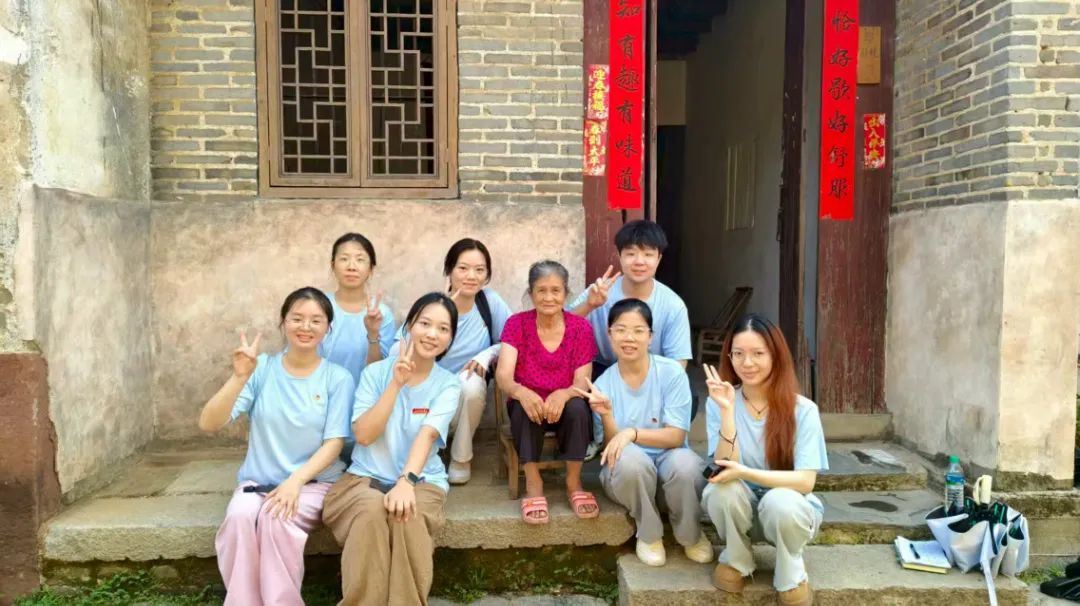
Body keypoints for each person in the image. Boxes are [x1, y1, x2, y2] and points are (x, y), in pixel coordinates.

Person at [199, 287, 354, 606]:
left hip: (312, 483)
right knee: (240, 518)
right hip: (258, 482)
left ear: (328, 328)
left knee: (276, 519)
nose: (305, 327)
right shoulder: (262, 369)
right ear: (283, 323)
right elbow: (209, 423)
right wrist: (238, 378)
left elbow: (334, 443)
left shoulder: (337, 378)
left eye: (316, 320)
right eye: (297, 318)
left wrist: (294, 481)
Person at [322, 292, 462, 606]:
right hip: (364, 478)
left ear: (450, 339)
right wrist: (396, 385)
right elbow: (364, 435)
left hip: (421, 480)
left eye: (443, 328)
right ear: (408, 327)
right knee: (371, 513)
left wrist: (406, 482)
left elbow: (427, 436)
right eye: (425, 323)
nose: (432, 334)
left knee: (406, 515)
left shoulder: (448, 384)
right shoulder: (375, 374)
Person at [701, 314, 828, 606]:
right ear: (729, 357)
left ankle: (790, 569)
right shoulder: (719, 401)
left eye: (758, 353)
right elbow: (725, 464)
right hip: (743, 506)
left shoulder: (803, 410)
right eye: (738, 354)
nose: (747, 363)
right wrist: (727, 411)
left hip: (789, 512)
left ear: (775, 355)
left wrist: (746, 473)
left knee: (780, 500)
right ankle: (737, 558)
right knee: (721, 490)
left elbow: (805, 482)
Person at [574, 298, 711, 567]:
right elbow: (611, 447)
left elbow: (675, 437)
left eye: (638, 330)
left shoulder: (671, 373)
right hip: (630, 477)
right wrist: (606, 414)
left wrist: (633, 433)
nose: (629, 338)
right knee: (629, 461)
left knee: (687, 465)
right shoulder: (603, 384)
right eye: (621, 330)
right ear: (609, 334)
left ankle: (690, 534)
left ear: (650, 336)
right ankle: (648, 534)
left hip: (669, 465)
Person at [392, 238, 512, 485]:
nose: (471, 276)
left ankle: (461, 458)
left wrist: (487, 354)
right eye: (463, 268)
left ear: (487, 275)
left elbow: (515, 339)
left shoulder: (489, 302)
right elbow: (398, 349)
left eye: (479, 270)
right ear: (449, 270)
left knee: (472, 383)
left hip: (460, 396)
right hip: (424, 393)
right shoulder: (433, 304)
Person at [495, 260, 599, 524]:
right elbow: (504, 375)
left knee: (578, 408)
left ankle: (573, 482)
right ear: (531, 294)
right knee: (523, 407)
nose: (548, 297)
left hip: (566, 401)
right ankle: (533, 482)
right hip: (529, 402)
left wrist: (563, 394)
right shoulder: (516, 324)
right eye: (541, 290)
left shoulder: (580, 328)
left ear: (566, 293)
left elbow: (582, 380)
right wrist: (521, 392)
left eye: (555, 290)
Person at [569, 220, 692, 376]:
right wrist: (589, 305)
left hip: (652, 374)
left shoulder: (673, 305)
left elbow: (678, 363)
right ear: (619, 256)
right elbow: (559, 327)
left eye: (648, 254)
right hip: (602, 371)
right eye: (631, 254)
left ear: (659, 259)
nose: (639, 262)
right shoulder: (599, 291)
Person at [320, 232, 396, 385]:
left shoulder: (382, 314)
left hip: (364, 397)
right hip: (320, 394)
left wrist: (373, 334)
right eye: (344, 259)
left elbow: (381, 372)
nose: (351, 267)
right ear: (333, 265)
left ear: (371, 269)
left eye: (360, 260)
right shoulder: (319, 306)